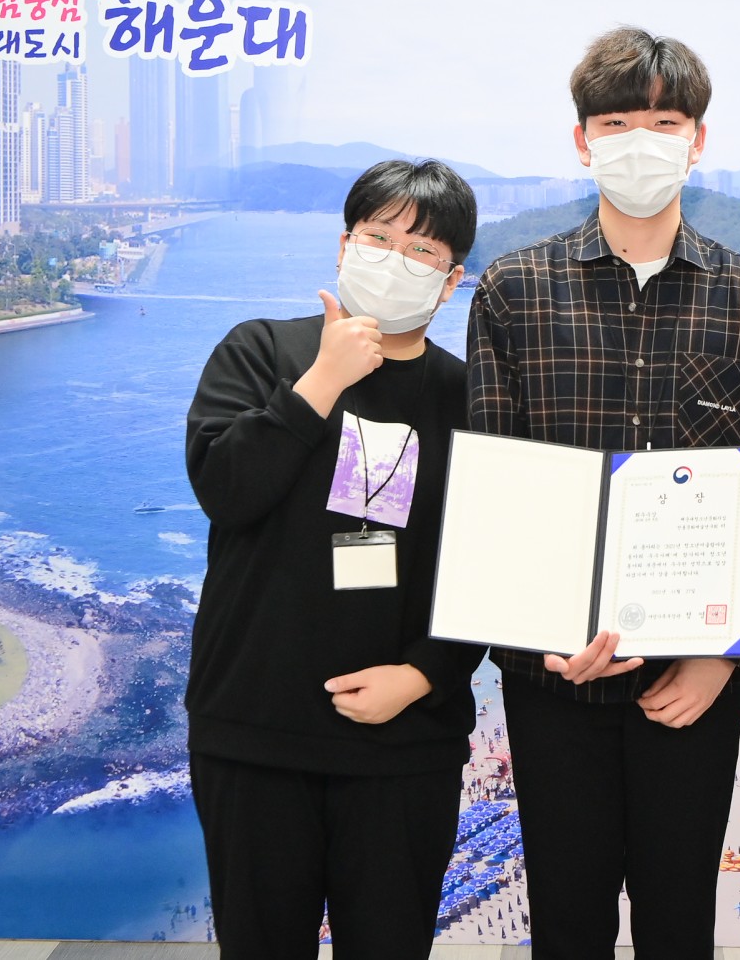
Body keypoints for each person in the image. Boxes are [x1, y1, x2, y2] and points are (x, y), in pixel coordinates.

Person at [466, 26, 740, 958]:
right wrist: (543, 635)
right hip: (553, 679)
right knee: (566, 922)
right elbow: (498, 479)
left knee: (678, 921)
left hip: (692, 679)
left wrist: (725, 653)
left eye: (664, 123)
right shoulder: (512, 291)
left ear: (698, 140)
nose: (639, 143)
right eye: (616, 122)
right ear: (582, 140)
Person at [185, 160, 483, 958]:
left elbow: (487, 564)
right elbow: (226, 491)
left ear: (450, 280)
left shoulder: (468, 396)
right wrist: (320, 383)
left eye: (420, 250)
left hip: (404, 742)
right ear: (344, 245)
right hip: (254, 728)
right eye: (377, 238)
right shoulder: (261, 351)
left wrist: (423, 674)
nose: (394, 260)